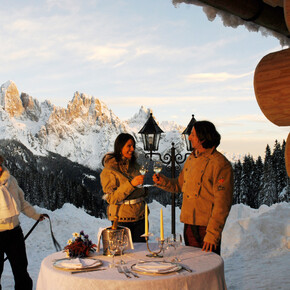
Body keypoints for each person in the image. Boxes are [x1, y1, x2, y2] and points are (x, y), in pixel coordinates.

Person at [153, 121, 233, 255]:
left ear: (203, 138)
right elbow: (179, 185)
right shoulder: (191, 159)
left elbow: (222, 204)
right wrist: (162, 181)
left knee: (208, 266)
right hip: (189, 225)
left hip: (206, 228)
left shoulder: (220, 164)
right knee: (193, 264)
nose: (189, 138)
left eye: (193, 135)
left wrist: (212, 234)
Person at [0, 155, 46, 290]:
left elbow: (22, 203)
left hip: (14, 232)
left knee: (21, 272)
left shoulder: (11, 180)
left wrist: (35, 215)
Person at [100, 133, 148, 242]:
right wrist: (131, 184)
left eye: (133, 146)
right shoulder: (109, 170)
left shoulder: (135, 166)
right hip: (121, 220)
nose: (132, 149)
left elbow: (138, 189)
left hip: (141, 217)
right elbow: (111, 198)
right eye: (129, 146)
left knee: (141, 253)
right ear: (120, 147)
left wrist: (145, 189)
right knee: (124, 254)